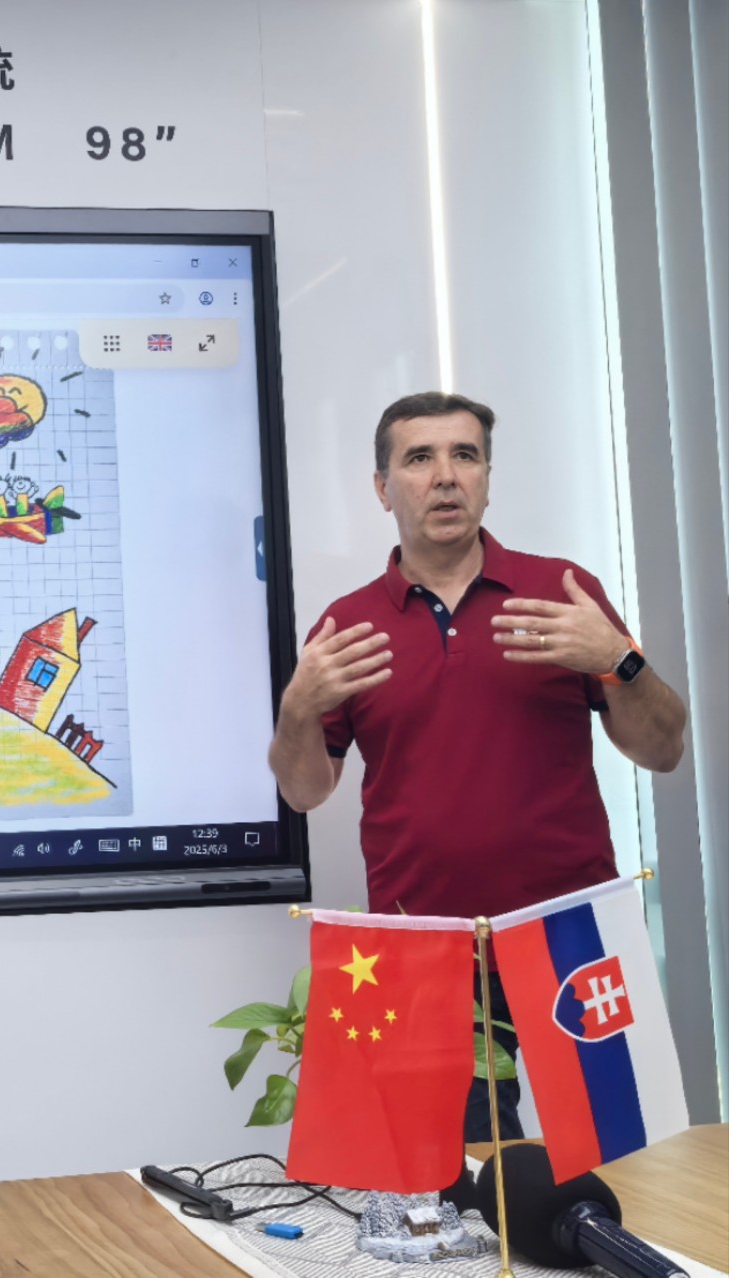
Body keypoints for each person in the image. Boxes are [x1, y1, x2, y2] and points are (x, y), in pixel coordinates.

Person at [268, 391, 687, 1142]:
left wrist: (618, 660)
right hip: (424, 945)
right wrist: (298, 707)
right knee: (464, 1173)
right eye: (419, 459)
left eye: (464, 455)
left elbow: (663, 750)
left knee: (617, 1159)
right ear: (383, 487)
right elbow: (303, 791)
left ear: (487, 477)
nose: (445, 476)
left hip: (569, 934)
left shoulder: (561, 594)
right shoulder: (348, 626)